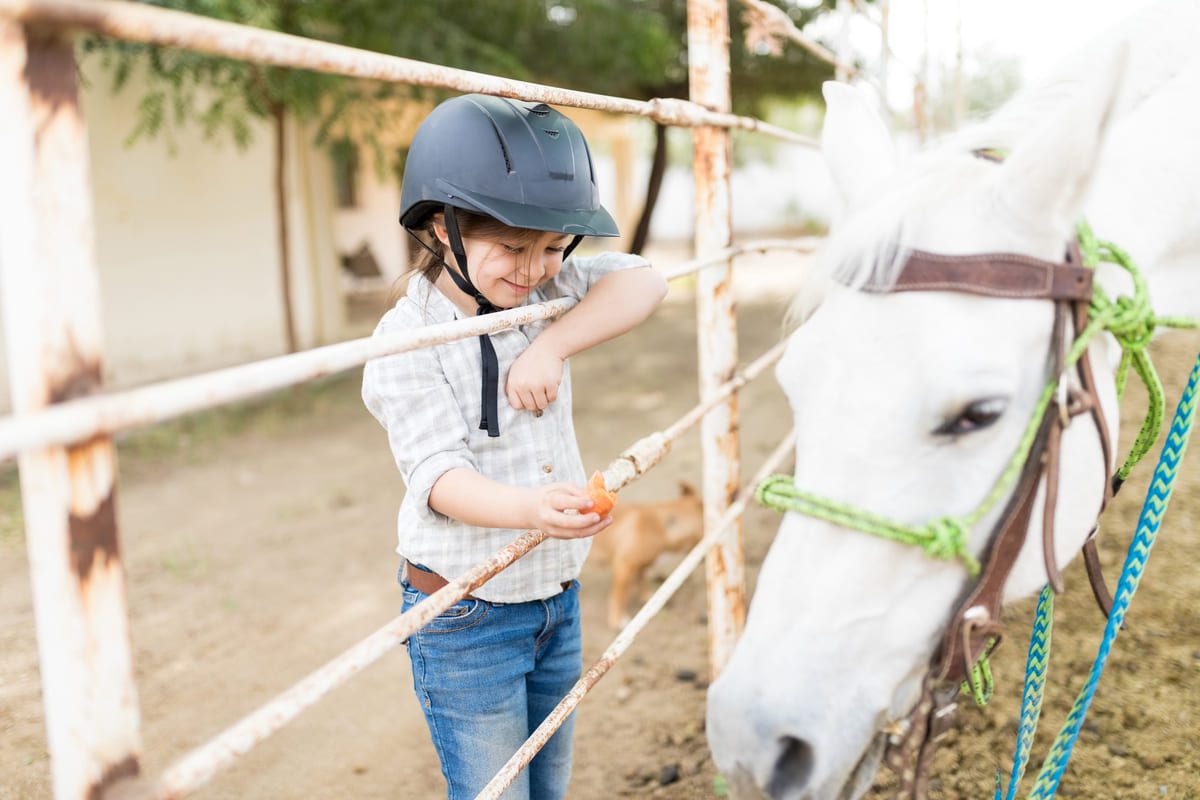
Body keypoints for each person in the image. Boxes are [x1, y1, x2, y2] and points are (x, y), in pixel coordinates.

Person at [361, 93, 667, 800]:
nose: (535, 269)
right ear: (443, 229)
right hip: (469, 615)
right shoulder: (407, 341)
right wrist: (532, 508)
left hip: (553, 599)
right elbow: (438, 477)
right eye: (512, 248)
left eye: (555, 248)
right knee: (496, 791)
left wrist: (553, 343)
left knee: (548, 785)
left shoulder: (544, 296)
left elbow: (646, 280)